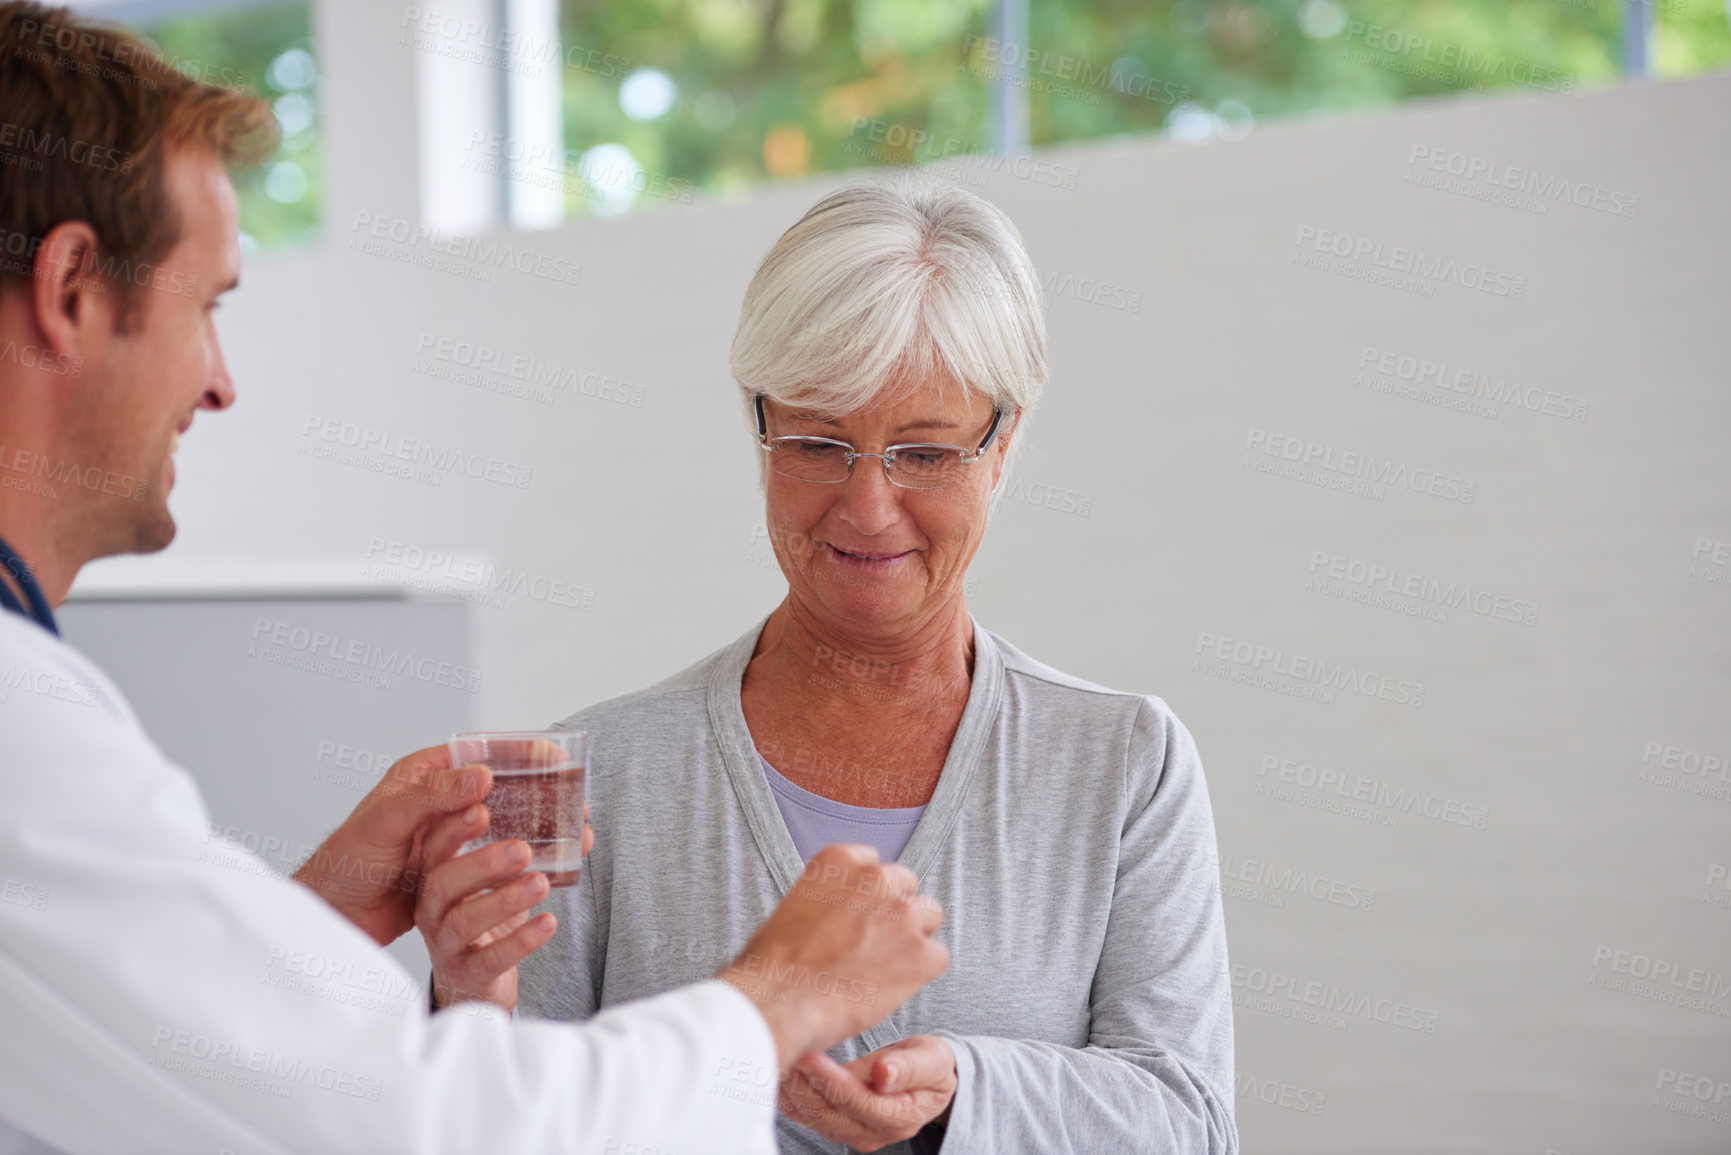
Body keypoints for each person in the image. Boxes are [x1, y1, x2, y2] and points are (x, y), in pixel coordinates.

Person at [0, 5, 948, 1152]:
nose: (220, 384)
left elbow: (132, 1053)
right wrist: (783, 997)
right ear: (69, 289)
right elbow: (423, 1126)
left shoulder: (1126, 759)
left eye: (929, 450)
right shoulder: (25, 732)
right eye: (210, 307)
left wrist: (320, 914)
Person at [494, 180, 1239, 1153]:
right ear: (757, 426)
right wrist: (462, 988)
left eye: (925, 455)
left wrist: (964, 1099)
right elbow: (494, 1116)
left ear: (1004, 444)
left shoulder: (1128, 762)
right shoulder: (574, 771)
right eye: (818, 444)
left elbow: (1191, 1124)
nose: (868, 508)